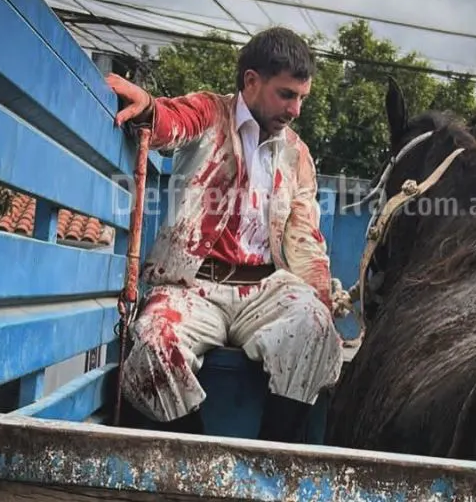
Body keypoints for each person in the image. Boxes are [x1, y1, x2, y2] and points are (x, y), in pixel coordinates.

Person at [106, 26, 347, 443]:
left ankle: (270, 459)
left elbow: (306, 240)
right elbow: (172, 121)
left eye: (301, 97)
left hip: (265, 290)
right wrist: (148, 108)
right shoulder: (209, 112)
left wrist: (323, 305)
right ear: (252, 81)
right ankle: (200, 463)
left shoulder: (297, 154)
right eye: (287, 95)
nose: (296, 110)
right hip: (192, 287)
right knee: (152, 344)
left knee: (317, 328)